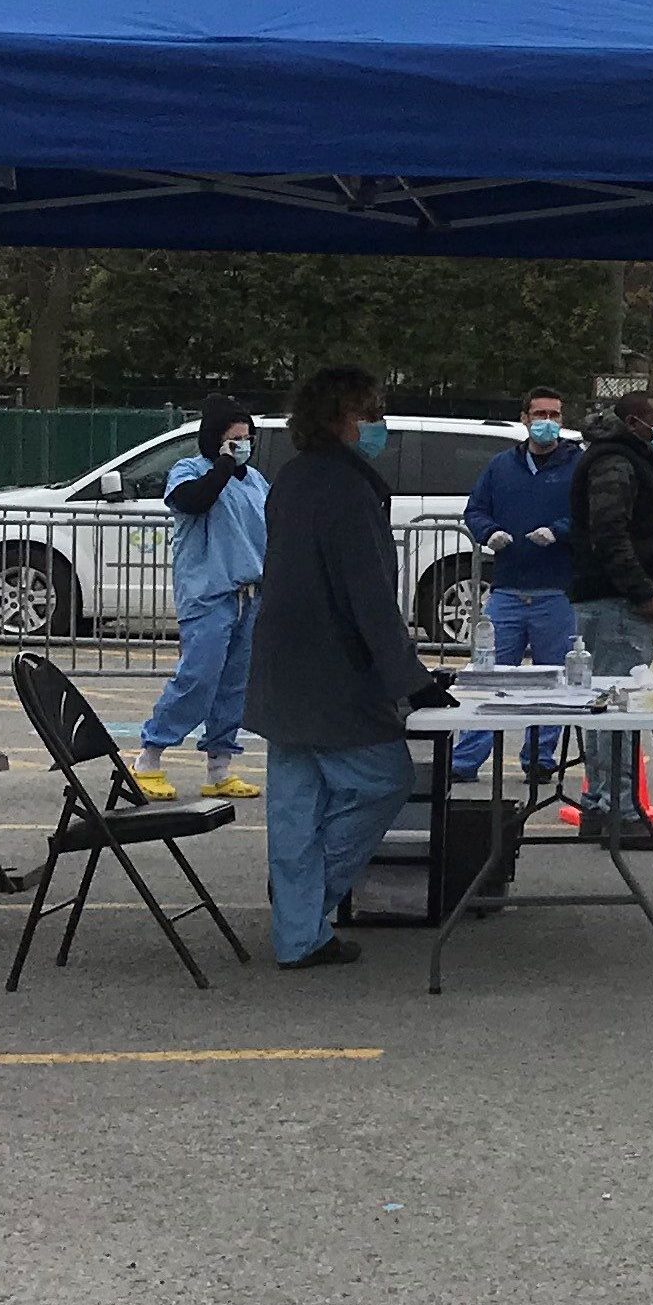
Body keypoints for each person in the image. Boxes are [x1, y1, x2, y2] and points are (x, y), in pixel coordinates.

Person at [248, 365, 454, 969]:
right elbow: (370, 598)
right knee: (384, 780)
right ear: (342, 418)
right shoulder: (350, 490)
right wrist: (412, 682)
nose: (379, 424)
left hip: (282, 665)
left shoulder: (291, 478)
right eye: (371, 412)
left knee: (294, 808)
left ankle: (298, 930)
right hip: (334, 671)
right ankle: (303, 905)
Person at [128, 394, 269, 801]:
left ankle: (219, 766)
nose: (242, 446)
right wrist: (222, 467)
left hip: (249, 595)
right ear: (215, 439)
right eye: (234, 439)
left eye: (247, 439)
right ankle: (149, 757)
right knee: (198, 677)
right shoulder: (188, 471)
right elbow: (194, 500)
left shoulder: (255, 482)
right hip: (208, 593)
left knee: (234, 686)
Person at [566, 389, 653, 846]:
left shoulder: (622, 457)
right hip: (617, 603)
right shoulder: (616, 462)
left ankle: (601, 803)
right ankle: (619, 808)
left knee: (604, 704)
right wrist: (642, 591)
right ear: (635, 423)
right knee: (619, 705)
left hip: (609, 600)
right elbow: (610, 533)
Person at [450, 386, 580, 786]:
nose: (548, 422)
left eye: (555, 415)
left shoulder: (577, 466)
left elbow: (589, 514)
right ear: (524, 419)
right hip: (507, 590)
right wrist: (489, 532)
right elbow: (475, 509)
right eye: (540, 414)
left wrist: (559, 531)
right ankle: (465, 759)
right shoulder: (501, 466)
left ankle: (539, 757)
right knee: (488, 677)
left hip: (556, 592)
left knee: (552, 679)